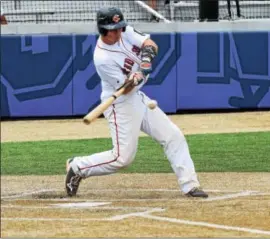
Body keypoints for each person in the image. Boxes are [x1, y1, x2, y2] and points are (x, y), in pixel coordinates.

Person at [65, 7, 208, 199]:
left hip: (138, 98)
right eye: (113, 29)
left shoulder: (125, 32)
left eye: (119, 27)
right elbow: (127, 88)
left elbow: (151, 44)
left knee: (173, 136)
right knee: (122, 158)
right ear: (103, 29)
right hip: (120, 103)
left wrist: (146, 60)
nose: (118, 32)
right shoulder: (102, 58)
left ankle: (190, 185)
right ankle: (78, 167)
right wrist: (137, 76)